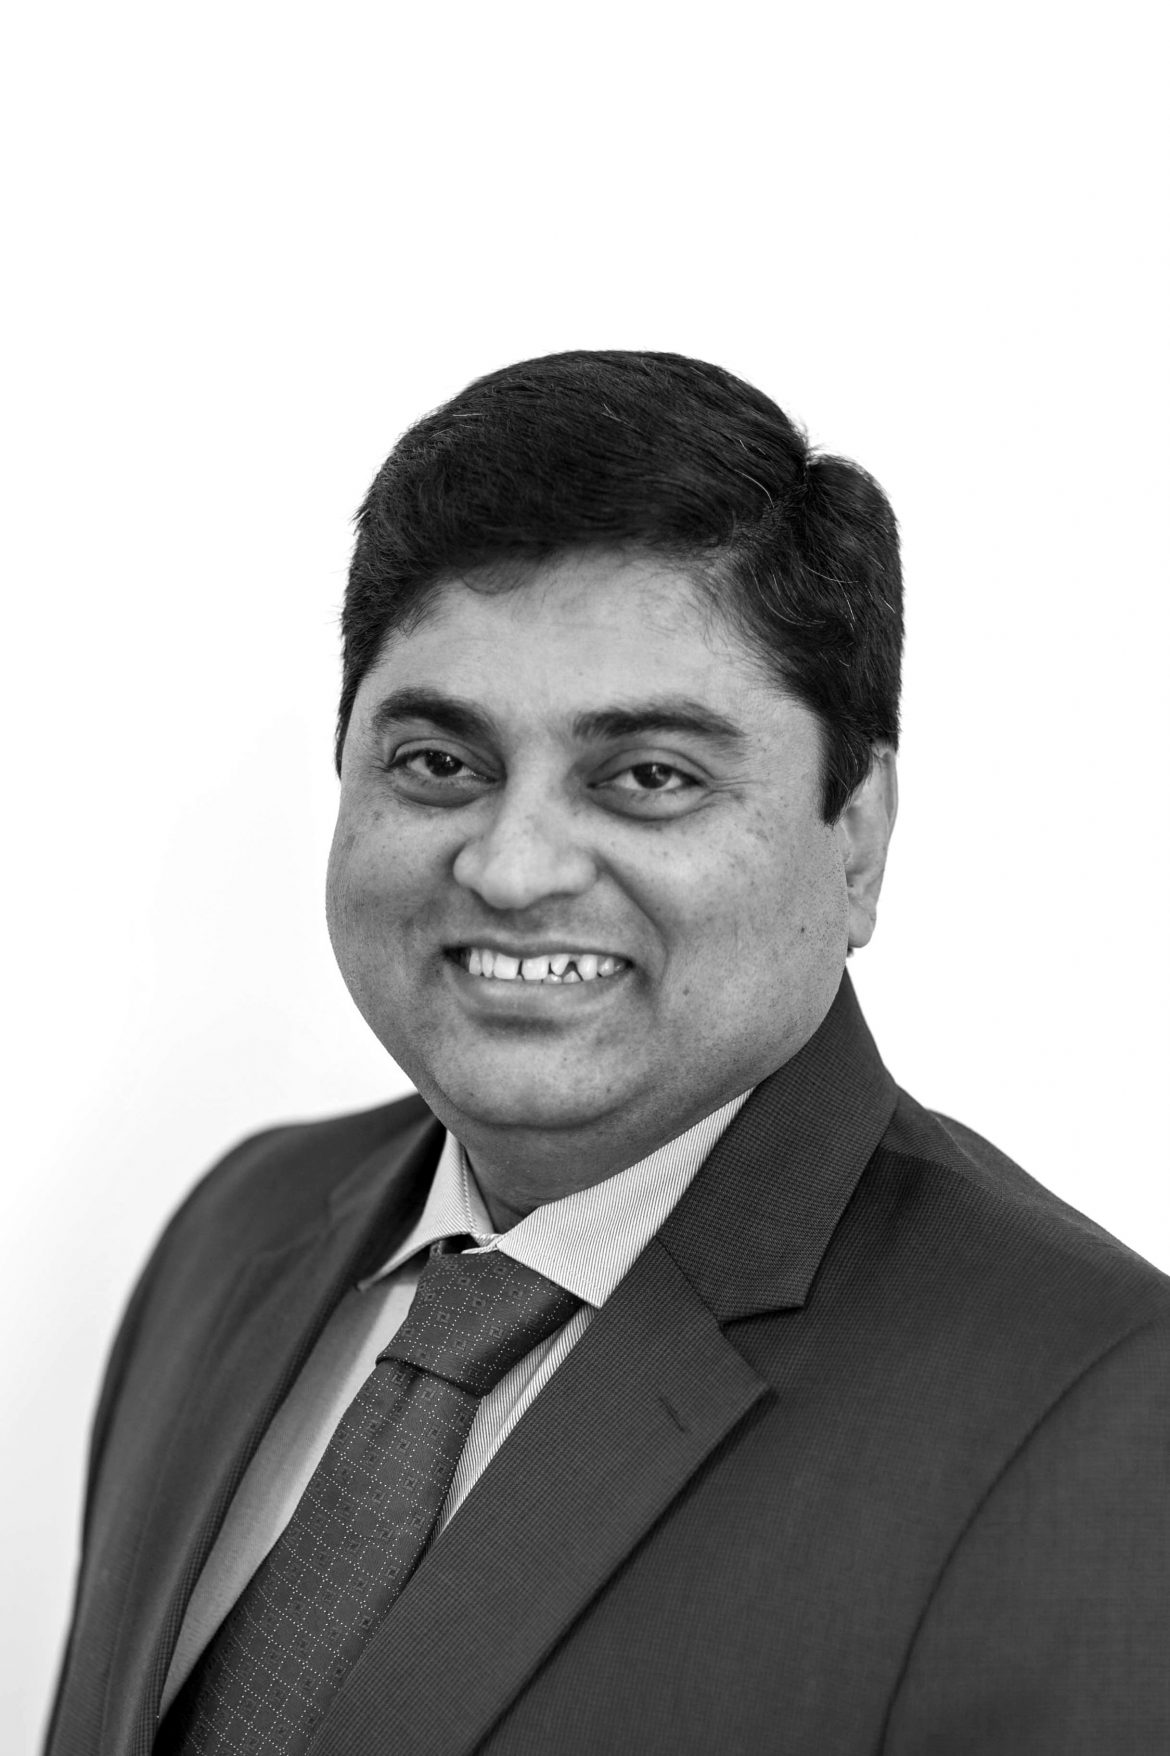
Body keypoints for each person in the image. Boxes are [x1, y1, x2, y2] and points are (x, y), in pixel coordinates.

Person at [47, 351, 1169, 1756]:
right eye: (439, 763)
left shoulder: (1099, 1413)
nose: (513, 867)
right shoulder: (238, 1232)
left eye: (648, 777)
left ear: (858, 836)